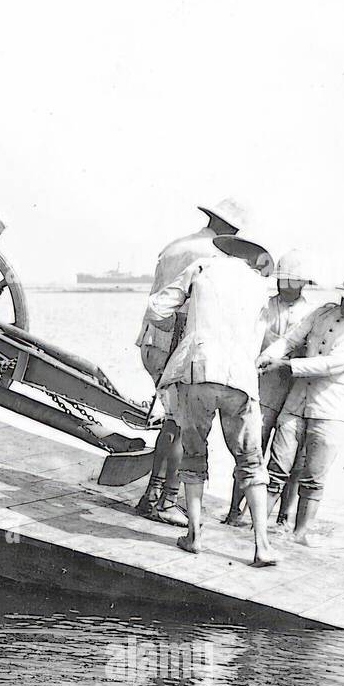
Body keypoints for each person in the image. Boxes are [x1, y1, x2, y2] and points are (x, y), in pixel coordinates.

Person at [143, 223, 279, 566]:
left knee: (194, 454)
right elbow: (262, 337)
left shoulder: (202, 269)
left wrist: (183, 327)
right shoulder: (261, 287)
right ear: (253, 258)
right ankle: (262, 546)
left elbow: (157, 308)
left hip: (198, 371)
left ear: (224, 250)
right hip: (241, 380)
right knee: (250, 462)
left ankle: (195, 536)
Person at [135, 197, 249, 526]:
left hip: (150, 340)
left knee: (172, 420)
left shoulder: (177, 245)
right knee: (184, 425)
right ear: (231, 231)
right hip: (175, 344)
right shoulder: (214, 258)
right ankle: (166, 500)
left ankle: (153, 496)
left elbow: (158, 302)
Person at [257, 270, 344, 546]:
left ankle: (299, 535)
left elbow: (331, 364)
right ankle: (257, 528)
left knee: (313, 477)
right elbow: (291, 339)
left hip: (331, 411)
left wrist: (287, 366)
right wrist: (267, 357)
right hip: (296, 402)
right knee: (276, 468)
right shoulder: (322, 313)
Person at [224, 249, 318, 526]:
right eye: (281, 280)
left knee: (294, 458)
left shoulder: (311, 313)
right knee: (250, 449)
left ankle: (282, 517)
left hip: (296, 391)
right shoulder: (263, 306)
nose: (283, 285)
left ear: (302, 283)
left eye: (290, 281)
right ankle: (233, 511)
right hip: (263, 388)